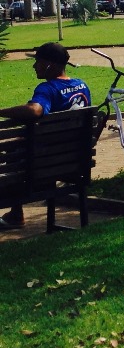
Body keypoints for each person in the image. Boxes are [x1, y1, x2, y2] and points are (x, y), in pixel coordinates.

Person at [0, 42, 91, 230]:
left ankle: (16, 213)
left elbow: (35, 111)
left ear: (50, 65)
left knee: (15, 156)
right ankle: (16, 214)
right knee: (20, 148)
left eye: (38, 62)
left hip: (42, 167)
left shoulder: (47, 89)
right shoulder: (82, 85)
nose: (34, 66)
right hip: (73, 161)